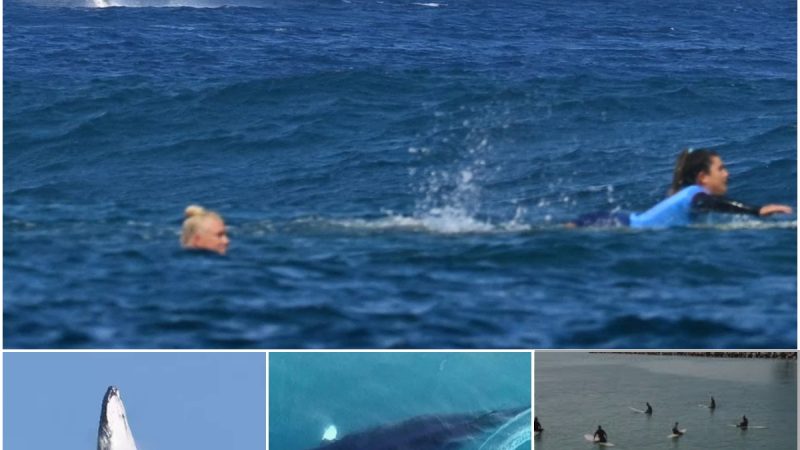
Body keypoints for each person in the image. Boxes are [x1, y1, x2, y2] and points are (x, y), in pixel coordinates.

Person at [570, 148, 793, 228]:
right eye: (721, 169)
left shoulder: (688, 195)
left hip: (614, 220)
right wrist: (756, 211)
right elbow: (711, 204)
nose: (727, 174)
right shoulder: (696, 195)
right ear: (703, 177)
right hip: (611, 224)